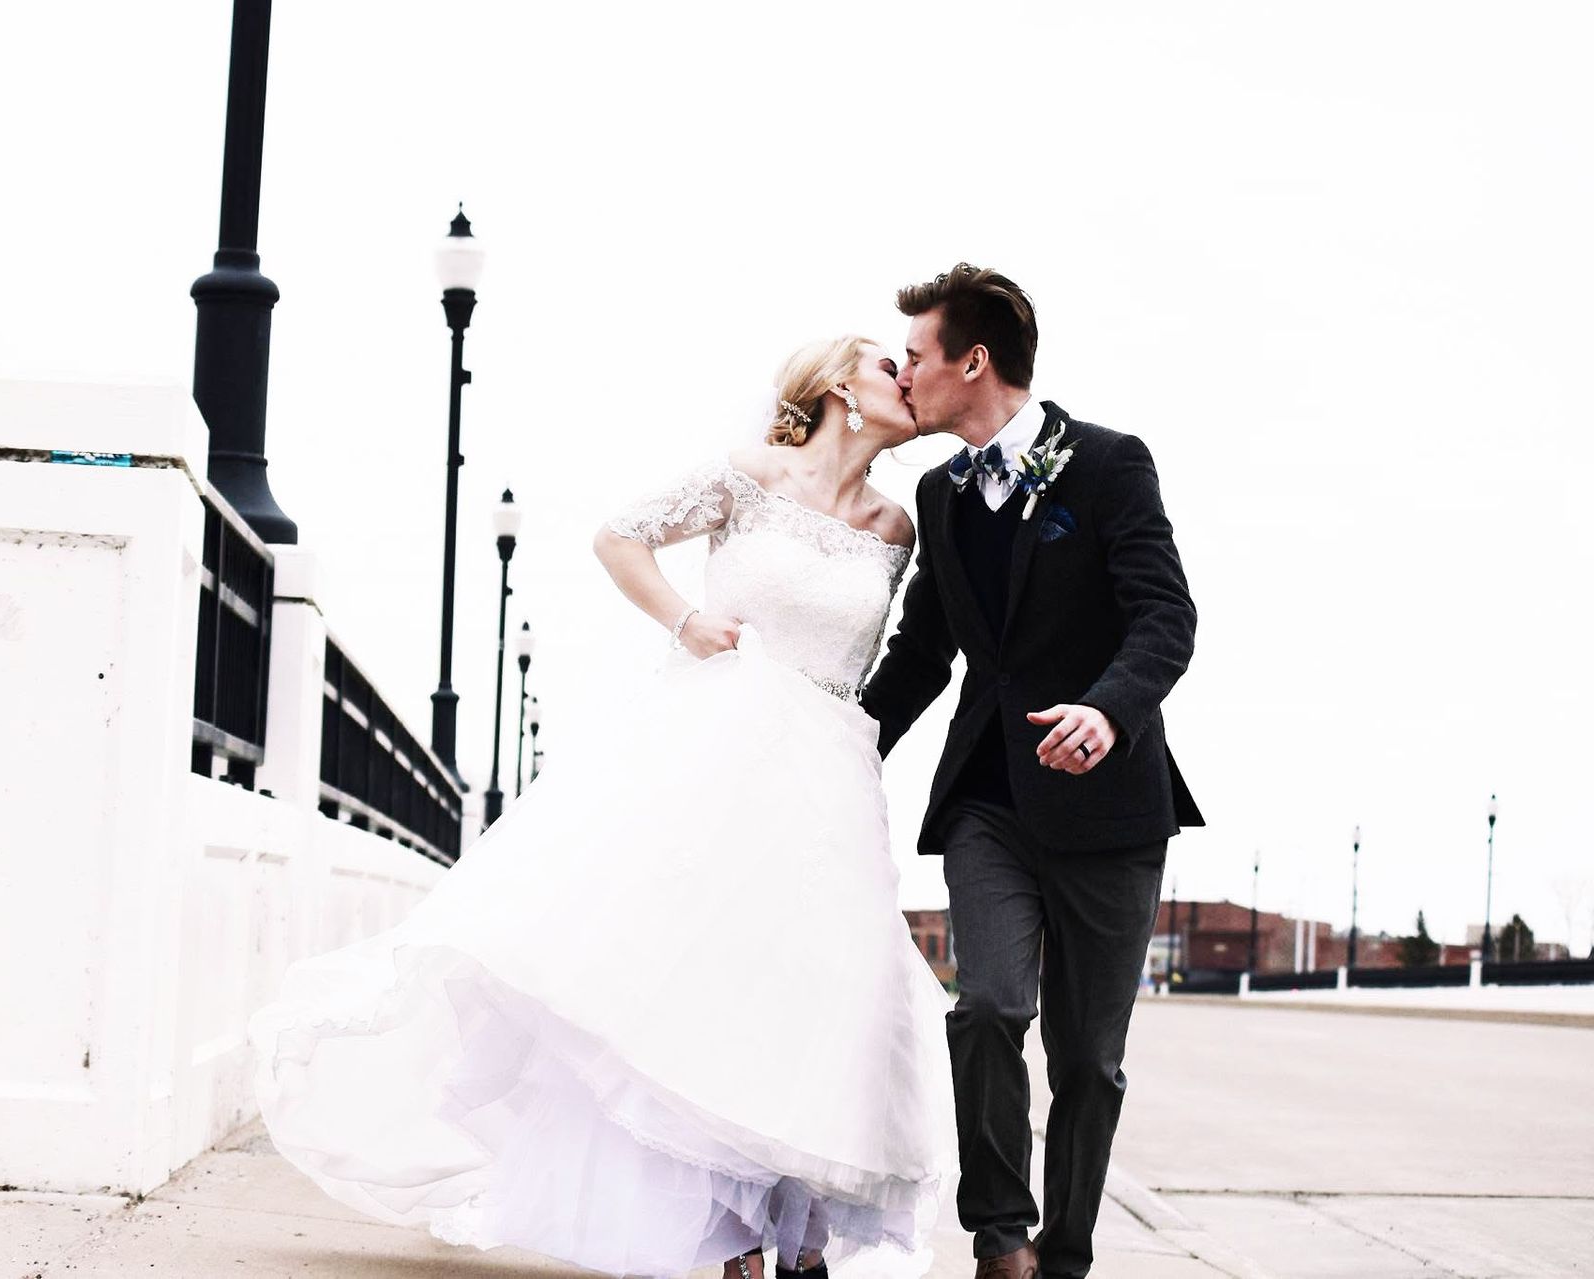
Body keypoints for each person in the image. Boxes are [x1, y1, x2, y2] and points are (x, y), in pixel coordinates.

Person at [249, 334, 956, 1279]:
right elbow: (618, 535)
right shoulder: (752, 475)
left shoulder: (896, 527)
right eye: (886, 365)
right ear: (835, 383)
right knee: (705, 981)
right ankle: (736, 1234)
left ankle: (804, 1234)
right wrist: (683, 618)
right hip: (719, 749)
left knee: (819, 993)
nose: (906, 379)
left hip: (828, 775)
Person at [860, 265, 1202, 1279]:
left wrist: (1109, 706)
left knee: (1089, 1061)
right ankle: (999, 1239)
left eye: (916, 354)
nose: (902, 372)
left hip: (1111, 809)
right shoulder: (941, 493)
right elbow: (925, 655)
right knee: (989, 1007)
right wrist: (831, 748)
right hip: (989, 805)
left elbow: (1165, 616)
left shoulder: (1105, 465)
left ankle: (1068, 1254)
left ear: (974, 362)